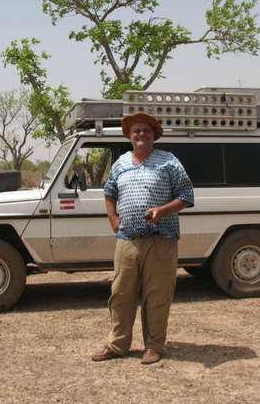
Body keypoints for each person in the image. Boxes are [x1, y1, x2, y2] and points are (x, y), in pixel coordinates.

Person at [91, 112, 194, 365]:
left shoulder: (168, 161)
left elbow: (187, 195)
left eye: (146, 131)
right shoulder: (121, 163)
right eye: (136, 131)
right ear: (129, 135)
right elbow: (109, 192)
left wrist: (162, 211)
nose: (141, 135)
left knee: (157, 295)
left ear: (153, 136)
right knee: (120, 293)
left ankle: (154, 346)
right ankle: (118, 345)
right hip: (127, 239)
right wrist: (113, 220)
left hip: (162, 238)